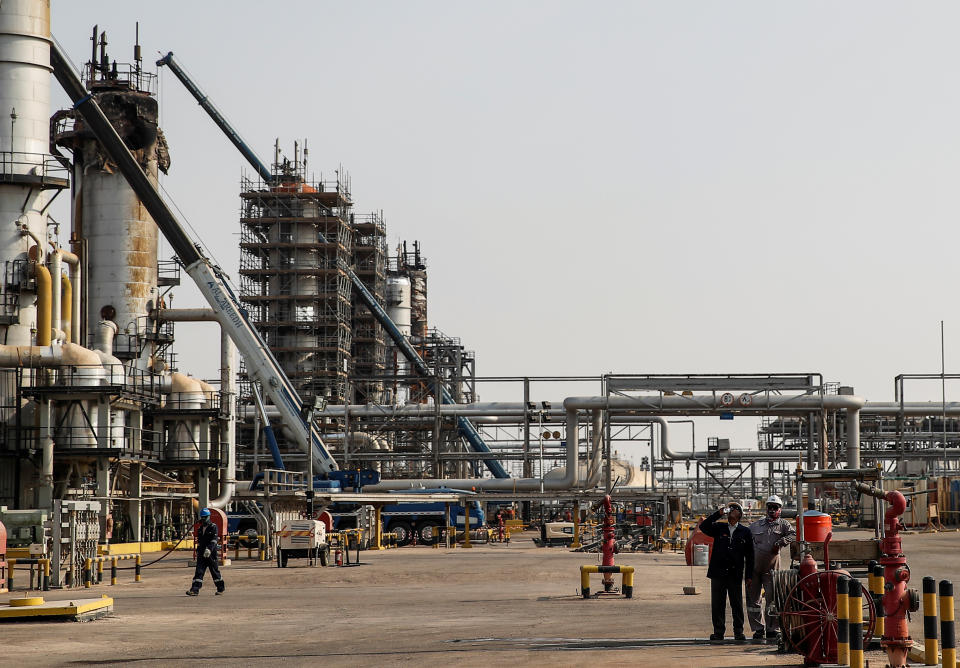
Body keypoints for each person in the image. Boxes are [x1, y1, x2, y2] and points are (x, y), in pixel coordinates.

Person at [699, 501, 753, 643]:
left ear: (740, 514)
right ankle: (718, 632)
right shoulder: (719, 528)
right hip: (718, 573)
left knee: (736, 604)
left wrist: (748, 576)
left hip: (734, 574)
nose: (731, 510)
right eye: (730, 508)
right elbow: (703, 526)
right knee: (717, 604)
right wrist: (718, 513)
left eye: (735, 509)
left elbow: (750, 556)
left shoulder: (745, 532)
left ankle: (738, 632)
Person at [747, 494, 795, 641]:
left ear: (780, 509)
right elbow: (745, 541)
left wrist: (781, 542)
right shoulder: (756, 525)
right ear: (766, 508)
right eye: (770, 507)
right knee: (753, 602)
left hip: (772, 570)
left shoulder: (784, 525)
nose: (772, 510)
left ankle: (772, 629)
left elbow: (794, 535)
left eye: (775, 507)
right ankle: (758, 629)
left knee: (773, 600)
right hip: (754, 570)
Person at [186, 508, 225, 596]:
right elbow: (199, 541)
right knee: (199, 571)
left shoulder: (213, 527)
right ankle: (194, 590)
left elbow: (214, 540)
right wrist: (198, 551)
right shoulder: (200, 528)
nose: (204, 519)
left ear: (209, 517)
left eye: (205, 517)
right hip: (201, 554)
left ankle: (221, 588)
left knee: (214, 571)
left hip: (211, 554)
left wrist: (209, 549)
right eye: (202, 517)